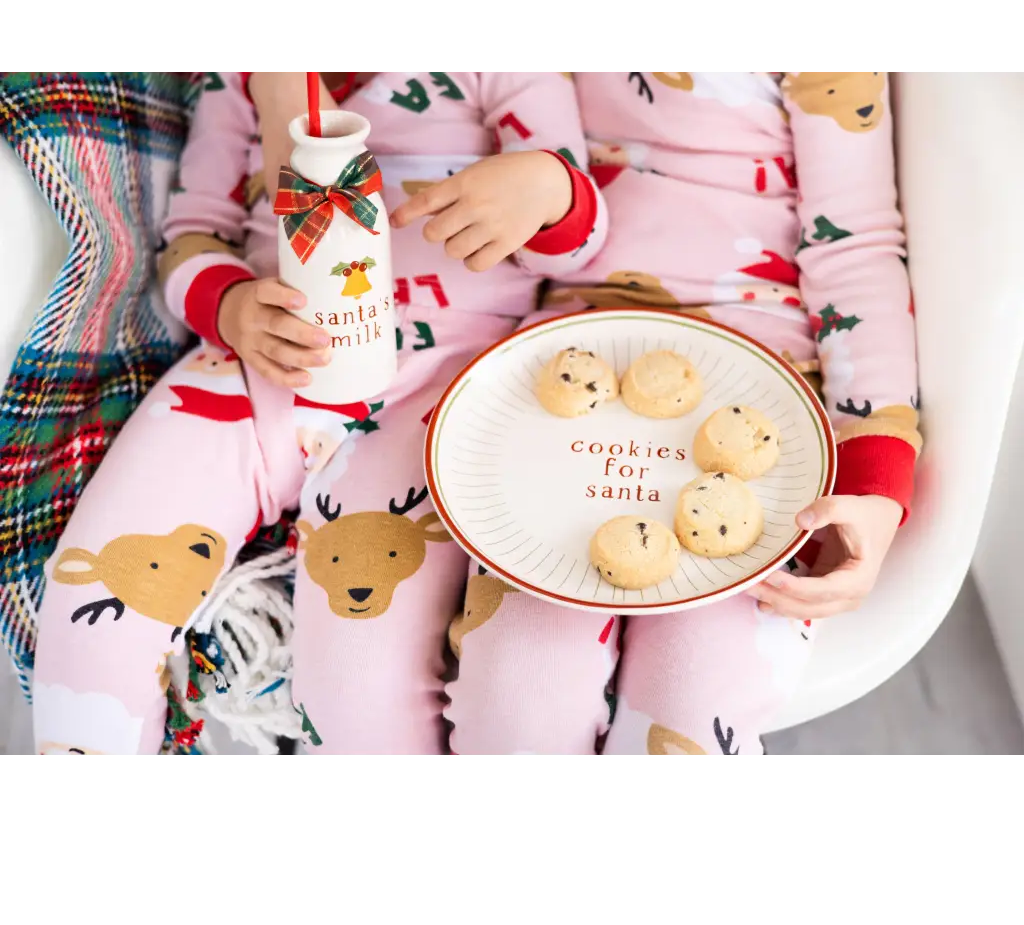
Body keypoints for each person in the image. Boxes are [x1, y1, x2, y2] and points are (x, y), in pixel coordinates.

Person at [31, 68, 606, 756]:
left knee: (357, 681)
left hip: (436, 381)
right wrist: (230, 306)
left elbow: (583, 246)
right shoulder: (236, 85)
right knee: (92, 600)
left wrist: (544, 187)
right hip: (253, 365)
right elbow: (188, 239)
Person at [443, 69, 922, 756]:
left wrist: (873, 469)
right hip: (573, 369)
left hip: (762, 386)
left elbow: (854, 248)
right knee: (514, 701)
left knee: (693, 705)